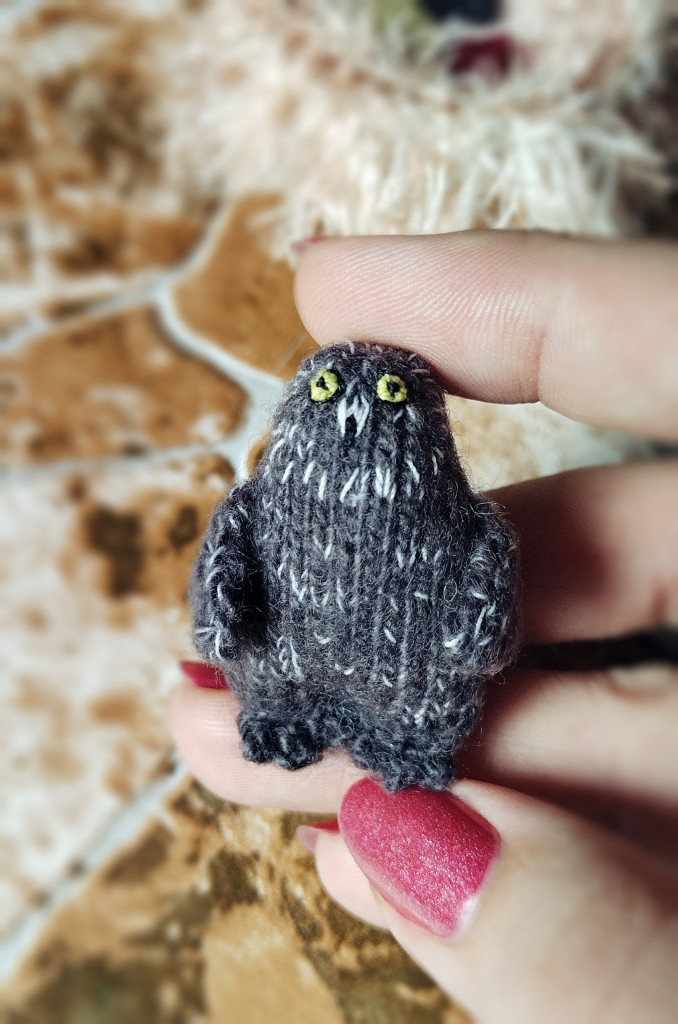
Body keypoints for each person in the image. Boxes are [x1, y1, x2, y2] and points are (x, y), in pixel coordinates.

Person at [173, 232, 678, 1023]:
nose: (353, 408)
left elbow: (486, 586)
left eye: (390, 395)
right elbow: (227, 567)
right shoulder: (255, 505)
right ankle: (286, 716)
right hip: (280, 675)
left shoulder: (467, 526)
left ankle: (393, 736)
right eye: (325, 386)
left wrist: (479, 638)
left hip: (412, 703)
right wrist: (222, 618)